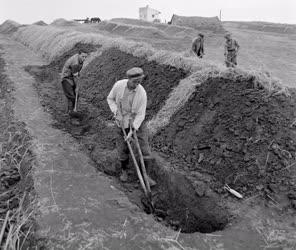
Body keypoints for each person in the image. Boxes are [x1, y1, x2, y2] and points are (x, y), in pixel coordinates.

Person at [107, 67, 156, 185]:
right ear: (128, 79)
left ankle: (146, 176)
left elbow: (141, 114)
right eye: (135, 82)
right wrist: (116, 112)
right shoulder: (119, 86)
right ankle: (124, 171)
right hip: (121, 120)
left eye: (139, 82)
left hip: (136, 121)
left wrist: (132, 130)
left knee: (144, 147)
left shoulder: (142, 93)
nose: (137, 84)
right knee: (122, 147)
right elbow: (110, 99)